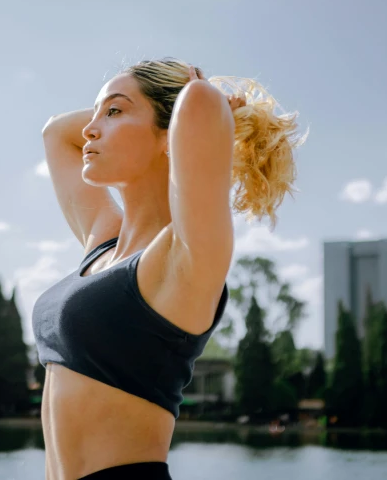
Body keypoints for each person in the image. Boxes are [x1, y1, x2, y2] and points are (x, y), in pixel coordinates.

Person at [33, 58, 305, 479]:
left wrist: (196, 99)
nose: (89, 128)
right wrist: (119, 110)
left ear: (168, 135)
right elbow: (56, 134)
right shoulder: (104, 244)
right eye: (96, 112)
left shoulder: (184, 257)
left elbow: (199, 105)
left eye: (115, 112)